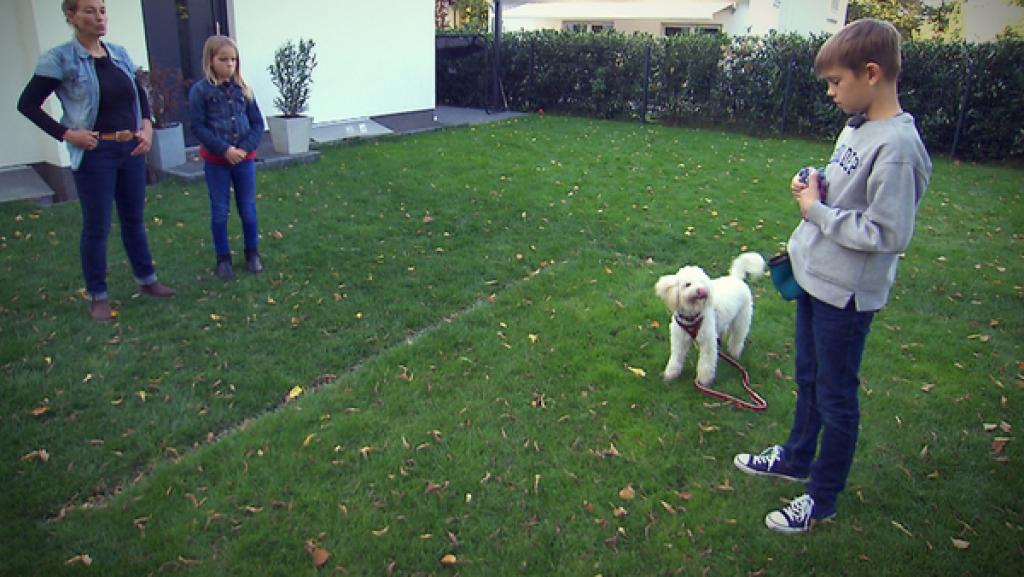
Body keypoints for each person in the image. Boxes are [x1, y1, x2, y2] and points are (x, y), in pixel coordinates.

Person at [733, 18, 932, 534]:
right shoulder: (859, 124)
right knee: (809, 379)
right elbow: (844, 190)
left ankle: (822, 497)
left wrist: (815, 211)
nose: (830, 92)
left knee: (836, 395)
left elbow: (889, 234)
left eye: (835, 82)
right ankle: (797, 457)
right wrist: (815, 182)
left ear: (871, 73)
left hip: (847, 296)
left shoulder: (899, 149)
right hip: (817, 278)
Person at [17, 0, 176, 323]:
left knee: (133, 219)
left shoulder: (118, 53)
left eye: (102, 9)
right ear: (71, 16)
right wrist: (67, 134)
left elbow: (139, 94)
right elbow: (28, 104)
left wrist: (146, 126)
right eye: (89, 10)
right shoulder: (60, 59)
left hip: (129, 148)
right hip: (95, 153)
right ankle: (98, 296)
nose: (99, 17)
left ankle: (147, 279)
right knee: (97, 226)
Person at [188, 35, 265, 279]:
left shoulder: (244, 89)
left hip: (245, 160)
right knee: (220, 210)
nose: (229, 64)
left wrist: (243, 149)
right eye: (223, 59)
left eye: (233, 59)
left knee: (247, 208)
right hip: (217, 162)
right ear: (210, 61)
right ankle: (223, 258)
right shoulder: (200, 91)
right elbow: (198, 127)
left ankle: (252, 253)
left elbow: (257, 123)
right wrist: (224, 150)